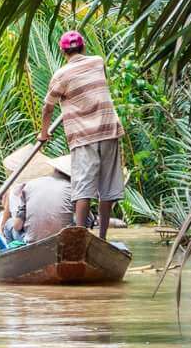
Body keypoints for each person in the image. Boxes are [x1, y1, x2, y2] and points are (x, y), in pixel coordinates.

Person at [36, 30, 125, 240]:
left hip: (84, 136)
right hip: (109, 129)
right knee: (108, 188)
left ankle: (80, 238)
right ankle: (102, 238)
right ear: (83, 47)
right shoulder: (97, 62)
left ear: (62, 51)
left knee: (83, 188)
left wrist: (43, 134)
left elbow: (47, 108)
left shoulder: (61, 75)